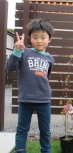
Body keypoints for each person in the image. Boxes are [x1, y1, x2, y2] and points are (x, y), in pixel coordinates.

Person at [6, 19, 55, 153]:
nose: (39, 40)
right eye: (35, 37)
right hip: (25, 100)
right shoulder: (24, 52)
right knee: (22, 129)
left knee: (45, 130)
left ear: (49, 39)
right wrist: (17, 51)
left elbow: (46, 77)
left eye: (42, 37)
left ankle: (46, 150)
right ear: (30, 39)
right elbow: (9, 67)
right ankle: (20, 150)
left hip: (43, 100)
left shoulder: (50, 59)